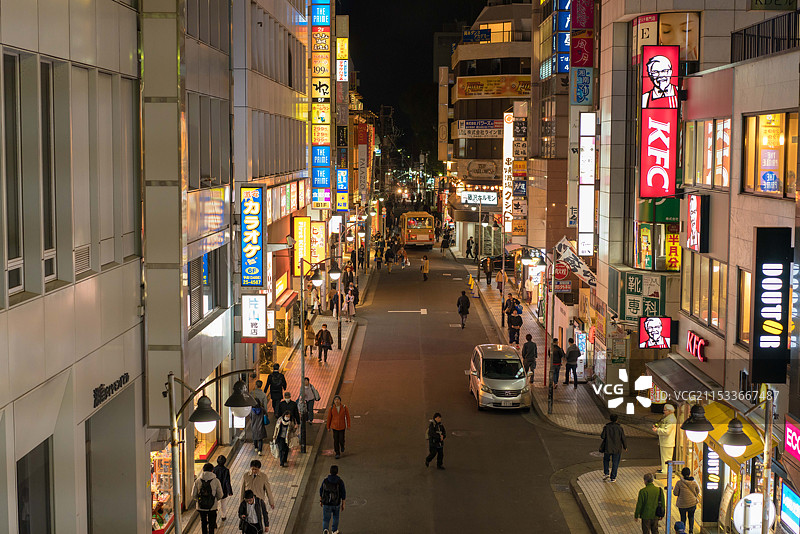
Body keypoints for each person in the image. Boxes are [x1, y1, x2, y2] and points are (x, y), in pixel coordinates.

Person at [191, 462, 224, 534]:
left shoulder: (197, 481)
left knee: (203, 522)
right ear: (212, 470)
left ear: (203, 470)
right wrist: (214, 500)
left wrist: (199, 500)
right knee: (212, 523)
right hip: (212, 507)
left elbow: (193, 495)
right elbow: (220, 495)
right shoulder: (216, 481)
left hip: (201, 506)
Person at [600, 414, 627, 482]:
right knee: (615, 462)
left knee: (606, 460)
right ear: (617, 420)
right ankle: (613, 477)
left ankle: (606, 473)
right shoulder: (620, 428)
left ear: (610, 419)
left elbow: (602, 436)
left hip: (607, 447)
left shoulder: (606, 427)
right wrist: (625, 446)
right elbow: (623, 438)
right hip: (617, 448)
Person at [320, 465, 346, 534]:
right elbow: (343, 493)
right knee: (336, 517)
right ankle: (334, 530)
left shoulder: (325, 481)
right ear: (337, 472)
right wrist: (343, 503)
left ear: (330, 472)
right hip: (336, 503)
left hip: (326, 503)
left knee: (326, 519)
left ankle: (325, 530)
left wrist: (321, 500)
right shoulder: (340, 482)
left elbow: (321, 490)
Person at [674, 468, 700, 533]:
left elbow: (675, 493)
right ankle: (691, 531)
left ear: (682, 474)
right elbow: (698, 491)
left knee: (683, 518)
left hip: (682, 504)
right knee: (691, 517)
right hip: (692, 503)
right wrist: (694, 496)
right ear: (689, 473)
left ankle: (682, 530)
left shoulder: (679, 483)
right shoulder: (694, 482)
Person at [653, 404, 677, 472]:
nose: (664, 411)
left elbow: (667, 432)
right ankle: (664, 469)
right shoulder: (667, 417)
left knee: (667, 458)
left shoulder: (671, 419)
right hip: (665, 442)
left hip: (668, 442)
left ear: (669, 411)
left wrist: (657, 430)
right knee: (664, 457)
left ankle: (666, 471)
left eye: (665, 410)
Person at [326, 395, 351, 459]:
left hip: (342, 426)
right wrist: (328, 427)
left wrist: (348, 425)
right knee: (336, 440)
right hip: (334, 427)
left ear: (340, 401)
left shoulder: (344, 407)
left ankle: (342, 446)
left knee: (341, 439)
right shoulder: (331, 408)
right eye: (335, 400)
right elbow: (329, 418)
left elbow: (348, 417)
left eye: (338, 400)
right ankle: (337, 452)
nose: (336, 401)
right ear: (334, 401)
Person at [213, 455, 234, 521]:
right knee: (223, 503)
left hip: (215, 490)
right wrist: (230, 491)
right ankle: (223, 515)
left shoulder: (214, 469)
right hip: (223, 489)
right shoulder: (226, 470)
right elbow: (227, 481)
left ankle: (214, 517)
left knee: (215, 504)